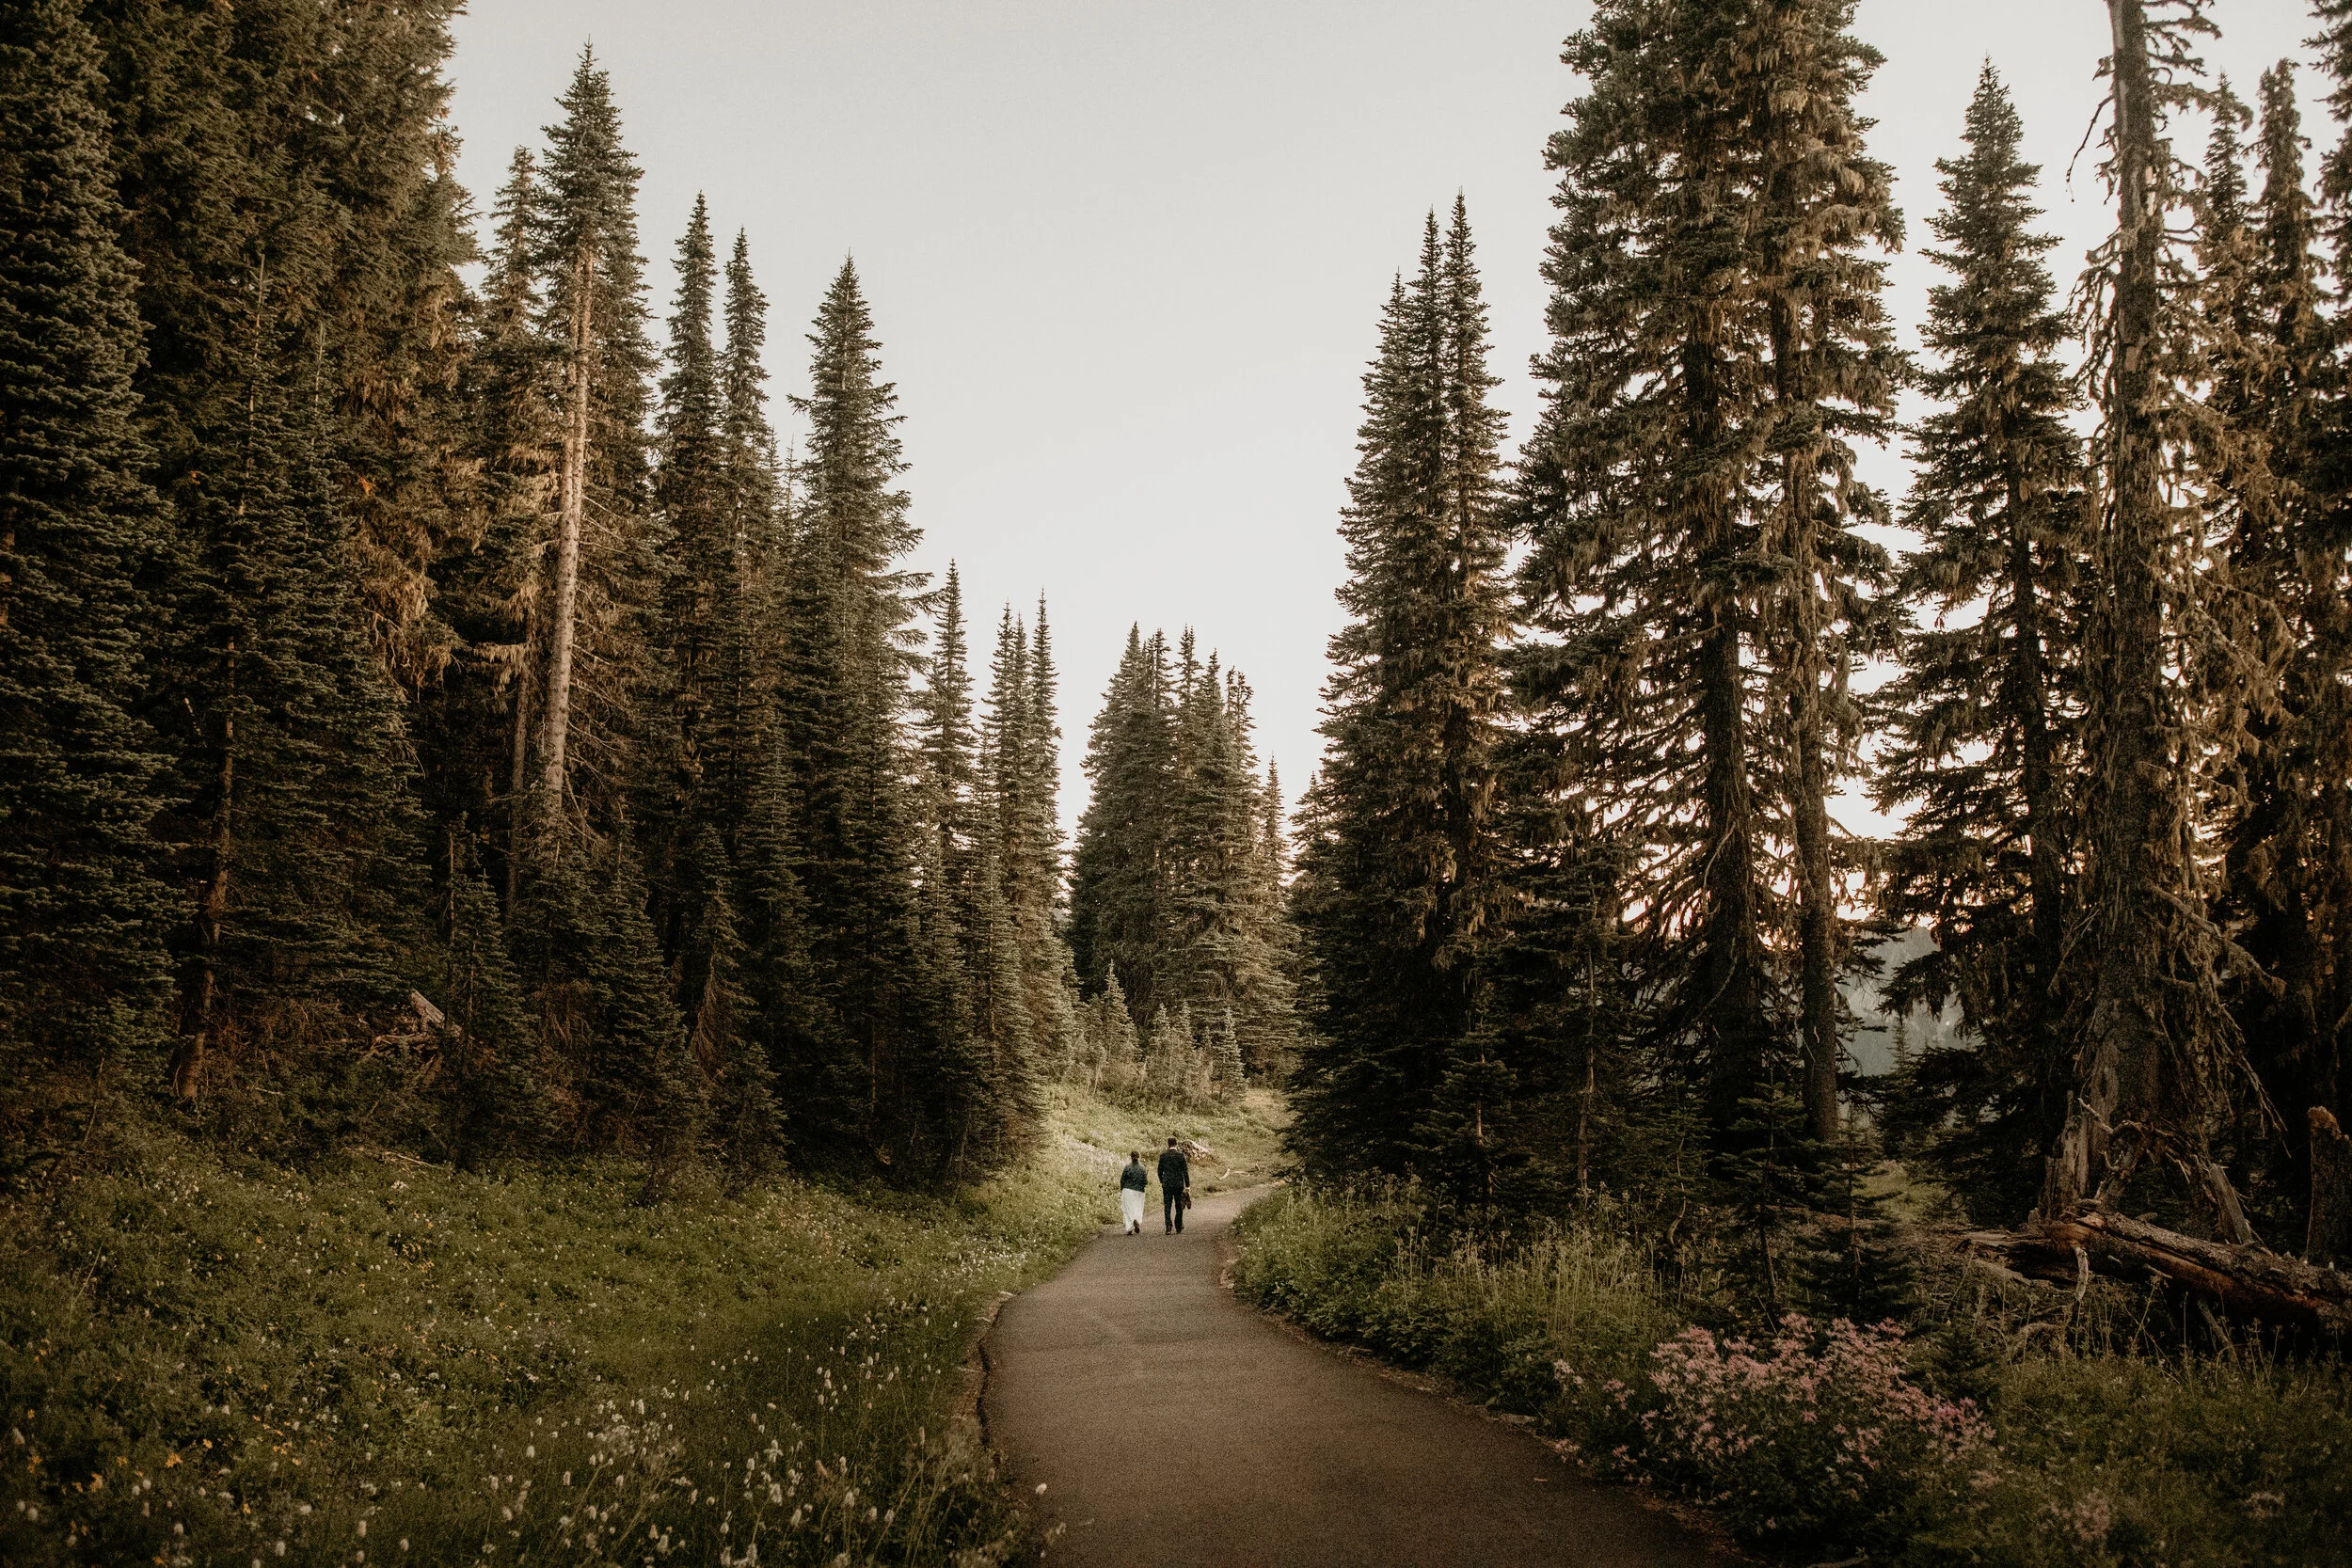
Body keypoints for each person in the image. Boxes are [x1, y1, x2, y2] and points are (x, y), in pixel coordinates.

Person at [1156, 1135, 1190, 1235]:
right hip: (1178, 1184)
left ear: (1168, 1144)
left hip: (1167, 1184)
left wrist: (1162, 1181)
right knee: (1179, 1206)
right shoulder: (1180, 1156)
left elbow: (1159, 1171)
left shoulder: (1163, 1156)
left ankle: (1168, 1227)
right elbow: (1185, 1171)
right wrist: (1187, 1185)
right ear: (1176, 1144)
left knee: (1167, 1206)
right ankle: (1178, 1225)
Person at [1118, 1151, 1149, 1235]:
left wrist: (1121, 1191)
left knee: (1127, 1209)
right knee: (1138, 1207)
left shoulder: (1127, 1167)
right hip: (1139, 1191)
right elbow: (1145, 1182)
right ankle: (1137, 1221)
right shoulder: (1143, 1168)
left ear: (1131, 1157)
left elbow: (1122, 1180)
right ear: (1139, 1157)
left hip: (1127, 1190)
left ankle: (1129, 1228)